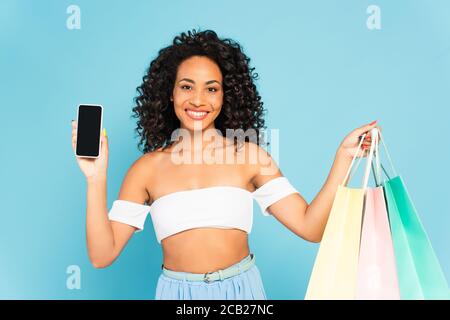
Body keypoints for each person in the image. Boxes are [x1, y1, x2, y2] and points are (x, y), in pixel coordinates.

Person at [71, 29, 379, 300]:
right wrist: (95, 179)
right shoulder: (146, 170)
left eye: (212, 88)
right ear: (169, 93)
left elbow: (312, 228)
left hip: (242, 292)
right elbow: (102, 255)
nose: (199, 100)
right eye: (187, 87)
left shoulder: (250, 158)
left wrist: (343, 159)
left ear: (225, 96)